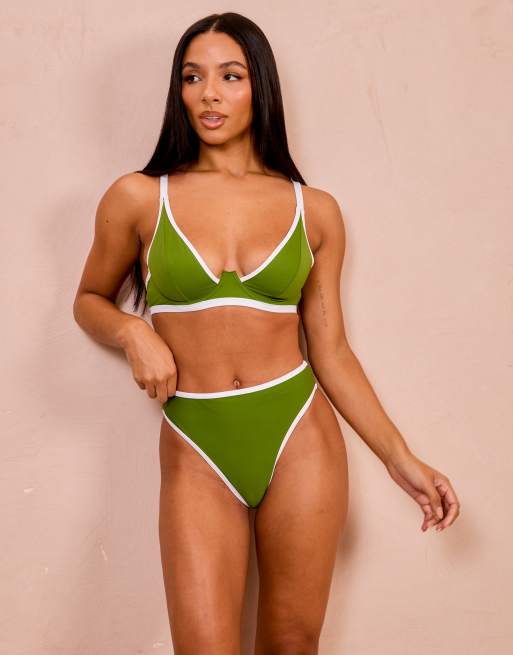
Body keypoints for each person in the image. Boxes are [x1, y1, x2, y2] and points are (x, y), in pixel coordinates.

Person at [72, 11, 460, 655]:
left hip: (299, 433)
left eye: (231, 76)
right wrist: (131, 332)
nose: (209, 94)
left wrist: (402, 460)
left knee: (292, 645)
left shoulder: (316, 211)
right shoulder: (138, 197)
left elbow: (331, 351)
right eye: (192, 77)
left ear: (261, 87)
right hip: (196, 440)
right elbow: (88, 300)